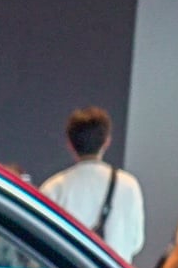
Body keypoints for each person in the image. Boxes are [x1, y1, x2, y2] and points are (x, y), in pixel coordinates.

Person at [38, 105, 144, 260]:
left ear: (69, 144)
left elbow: (42, 241)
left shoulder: (53, 187)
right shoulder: (129, 185)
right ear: (107, 141)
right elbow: (136, 243)